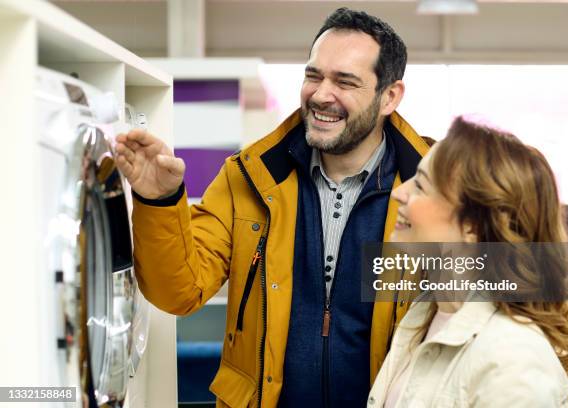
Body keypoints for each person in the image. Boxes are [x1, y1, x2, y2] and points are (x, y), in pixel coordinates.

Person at [114, 7, 429, 408]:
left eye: (345, 81)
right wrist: (158, 199)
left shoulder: (437, 186)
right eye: (313, 75)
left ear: (389, 97)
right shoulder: (248, 178)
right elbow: (178, 291)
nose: (320, 94)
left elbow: (505, 296)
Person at [367, 116, 568, 407]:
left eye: (420, 185)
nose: (399, 193)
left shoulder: (513, 361)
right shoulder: (424, 314)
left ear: (472, 226)